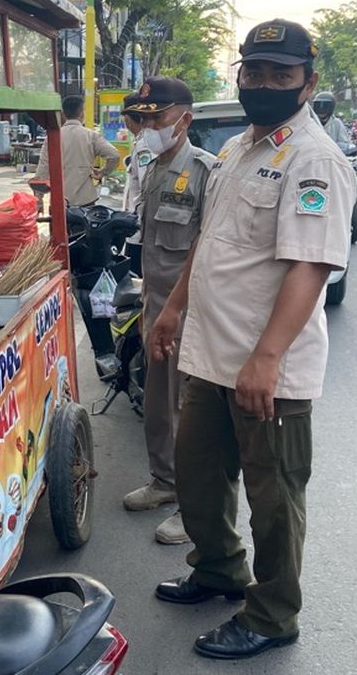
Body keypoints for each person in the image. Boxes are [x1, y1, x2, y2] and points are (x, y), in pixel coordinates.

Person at [148, 20, 356, 660]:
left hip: (269, 369)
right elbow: (210, 244)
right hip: (211, 355)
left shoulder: (315, 160)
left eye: (281, 74)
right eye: (255, 71)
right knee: (198, 476)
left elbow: (311, 265)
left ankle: (271, 615)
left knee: (274, 497)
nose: (264, 83)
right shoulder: (240, 148)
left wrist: (267, 359)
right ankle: (218, 569)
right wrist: (173, 309)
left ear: (308, 83)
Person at [121, 77, 217, 546]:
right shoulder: (156, 167)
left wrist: (175, 311)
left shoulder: (204, 171)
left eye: (158, 118)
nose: (150, 126)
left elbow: (206, 247)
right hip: (154, 306)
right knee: (157, 399)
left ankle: (194, 503)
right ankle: (165, 480)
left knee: (191, 409)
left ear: (184, 119)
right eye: (147, 118)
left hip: (189, 312)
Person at [31, 95, 119, 207]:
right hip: (86, 200)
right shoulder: (91, 136)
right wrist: (103, 172)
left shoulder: (53, 137)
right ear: (82, 113)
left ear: (63, 114)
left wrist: (39, 197)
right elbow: (114, 155)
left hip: (60, 201)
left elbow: (43, 167)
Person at [120, 91, 152, 276]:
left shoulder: (144, 145)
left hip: (140, 230)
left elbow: (147, 187)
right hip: (140, 227)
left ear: (129, 119)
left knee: (136, 282)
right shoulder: (143, 142)